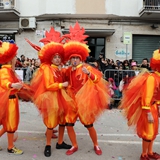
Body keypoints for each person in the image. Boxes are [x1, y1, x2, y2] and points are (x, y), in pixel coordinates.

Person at [63, 21, 111, 156]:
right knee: (69, 124)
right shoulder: (67, 70)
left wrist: (89, 73)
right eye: (72, 58)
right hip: (71, 100)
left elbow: (97, 81)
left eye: (76, 58)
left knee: (89, 125)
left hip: (84, 101)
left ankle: (96, 144)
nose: (74, 61)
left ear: (81, 58)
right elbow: (62, 78)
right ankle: (74, 145)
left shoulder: (87, 68)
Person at [26, 27, 73, 157]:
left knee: (63, 120)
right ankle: (48, 145)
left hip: (61, 96)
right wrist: (61, 84)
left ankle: (60, 142)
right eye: (55, 57)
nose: (57, 59)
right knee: (51, 123)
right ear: (51, 59)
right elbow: (48, 85)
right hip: (51, 97)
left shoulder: (59, 69)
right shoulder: (47, 69)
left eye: (59, 57)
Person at [119, 49, 160, 160]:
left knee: (153, 132)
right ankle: (144, 155)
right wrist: (148, 112)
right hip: (149, 108)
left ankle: (150, 152)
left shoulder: (158, 77)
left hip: (155, 107)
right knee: (148, 133)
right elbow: (147, 96)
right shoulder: (152, 78)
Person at [0, 41, 33, 155]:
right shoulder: (5, 70)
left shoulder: (10, 71)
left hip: (12, 100)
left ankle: (10, 146)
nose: (16, 58)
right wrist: (12, 85)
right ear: (9, 58)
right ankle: (10, 147)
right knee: (10, 124)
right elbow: (5, 82)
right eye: (14, 56)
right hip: (9, 101)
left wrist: (25, 89)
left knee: (7, 124)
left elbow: (17, 84)